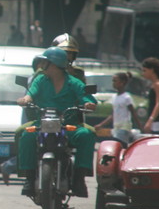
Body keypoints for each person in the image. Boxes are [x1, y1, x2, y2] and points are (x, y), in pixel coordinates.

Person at [15, 46, 98, 198]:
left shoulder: (74, 82)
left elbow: (86, 97)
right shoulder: (40, 80)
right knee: (26, 136)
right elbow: (30, 94)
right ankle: (29, 178)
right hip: (43, 124)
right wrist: (25, 100)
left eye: (44, 62)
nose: (41, 65)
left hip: (68, 126)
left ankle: (79, 178)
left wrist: (88, 104)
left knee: (86, 134)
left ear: (53, 64)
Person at [95, 71, 140, 146]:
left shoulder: (126, 97)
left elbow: (133, 113)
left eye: (115, 81)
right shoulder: (114, 97)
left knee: (119, 145)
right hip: (116, 127)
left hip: (124, 127)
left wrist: (140, 127)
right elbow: (113, 115)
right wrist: (101, 125)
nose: (113, 83)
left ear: (122, 83)